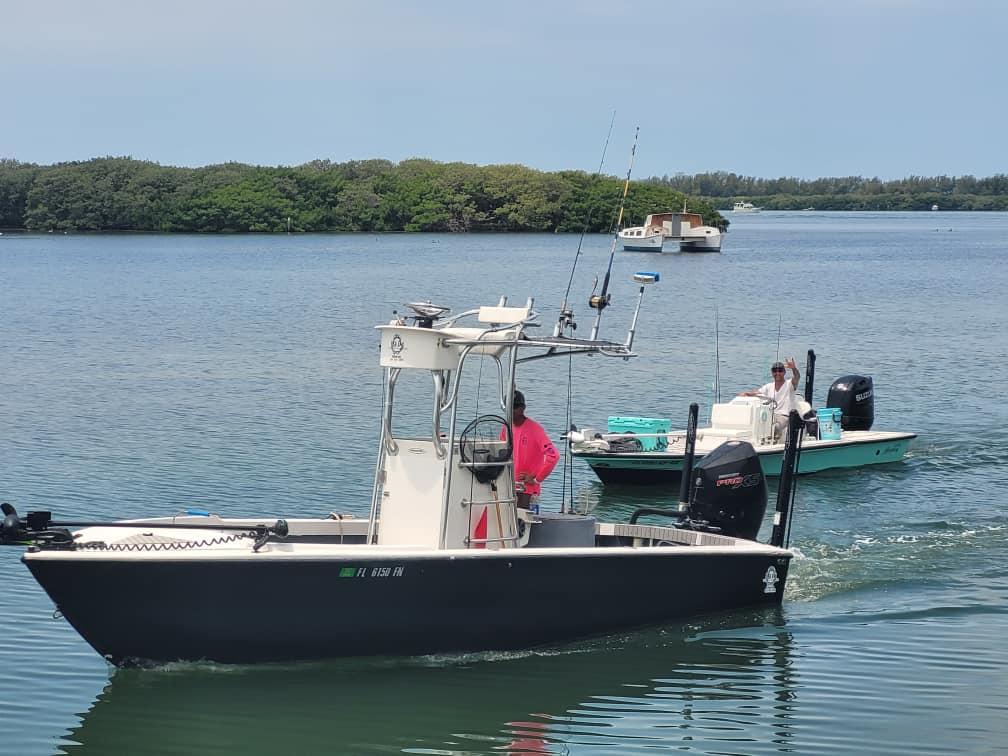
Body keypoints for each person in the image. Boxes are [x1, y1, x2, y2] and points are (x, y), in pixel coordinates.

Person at [507, 390, 559, 509]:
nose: (511, 411)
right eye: (508, 407)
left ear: (522, 408)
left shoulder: (535, 429)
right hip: (508, 486)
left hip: (527, 490)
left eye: (514, 407)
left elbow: (553, 455)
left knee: (522, 524)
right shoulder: (506, 428)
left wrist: (536, 477)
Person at [739, 358, 800, 440]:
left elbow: (797, 377)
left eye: (780, 370)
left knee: (775, 427)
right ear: (772, 373)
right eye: (775, 371)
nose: (777, 373)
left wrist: (793, 368)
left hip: (784, 416)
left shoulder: (790, 384)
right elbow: (757, 392)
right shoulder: (768, 386)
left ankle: (773, 442)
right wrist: (746, 394)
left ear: (784, 372)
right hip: (770, 414)